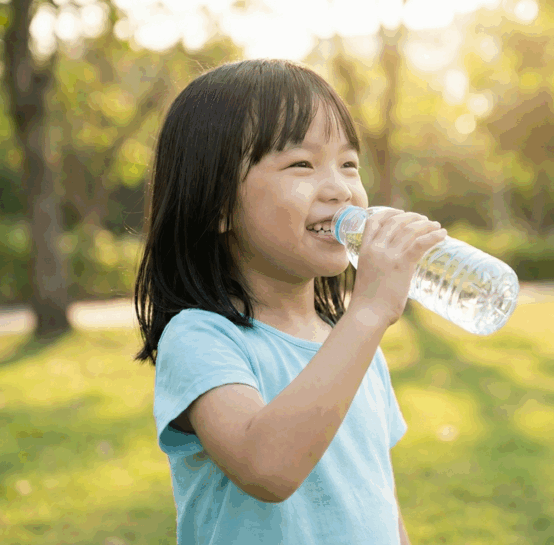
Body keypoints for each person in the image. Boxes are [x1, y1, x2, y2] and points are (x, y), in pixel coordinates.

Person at [133, 58, 446, 544]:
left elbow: (380, 499)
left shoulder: (352, 343)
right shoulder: (199, 337)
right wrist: (367, 313)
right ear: (218, 205)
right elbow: (267, 469)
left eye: (349, 164)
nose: (340, 189)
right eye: (302, 164)